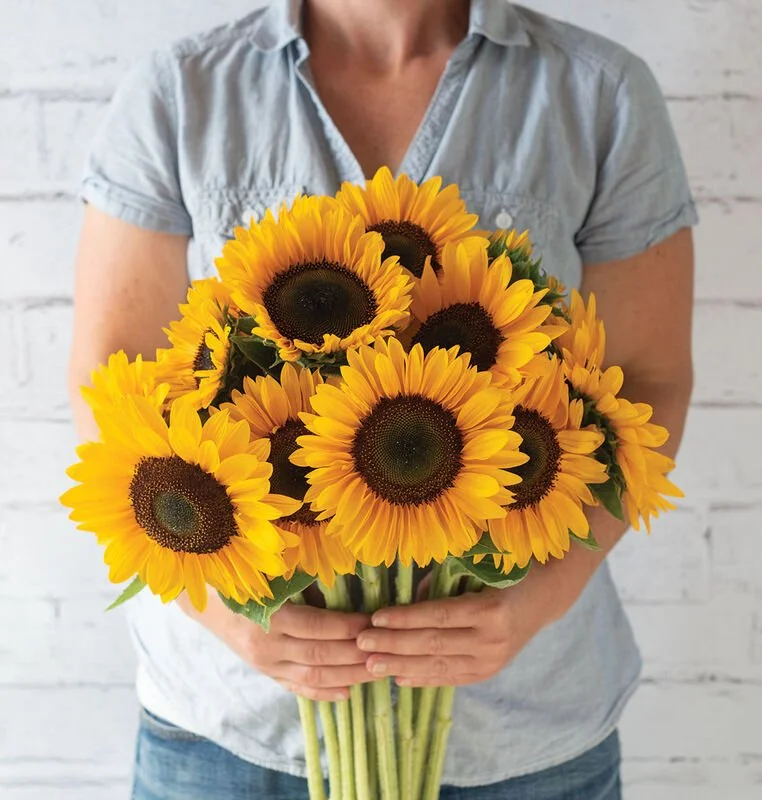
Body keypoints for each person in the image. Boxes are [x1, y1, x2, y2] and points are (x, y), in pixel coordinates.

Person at [68, 0, 696, 797]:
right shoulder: (181, 91)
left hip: (520, 728)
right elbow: (111, 381)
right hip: (235, 730)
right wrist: (233, 613)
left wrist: (541, 595)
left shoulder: (596, 92)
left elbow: (648, 382)